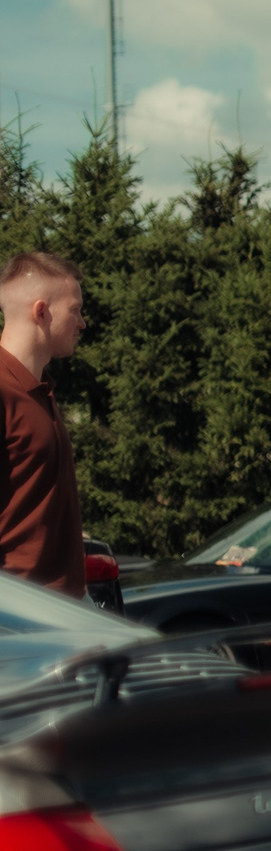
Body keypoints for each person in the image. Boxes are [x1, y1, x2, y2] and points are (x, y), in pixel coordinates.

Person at [0, 252, 88, 597]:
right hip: (21, 614)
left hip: (60, 605)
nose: (82, 322)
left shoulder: (40, 388)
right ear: (41, 312)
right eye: (75, 310)